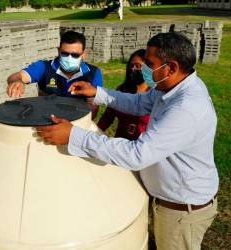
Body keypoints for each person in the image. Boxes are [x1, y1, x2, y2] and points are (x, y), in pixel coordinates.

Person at [36, 32, 219, 250]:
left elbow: (136, 155)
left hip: (180, 209)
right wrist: (99, 93)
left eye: (149, 64)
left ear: (171, 68)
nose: (144, 69)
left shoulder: (186, 109)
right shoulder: (171, 88)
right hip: (168, 200)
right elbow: (138, 103)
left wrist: (73, 135)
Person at [6, 30, 103, 118]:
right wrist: (17, 81)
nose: (69, 58)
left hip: (76, 123)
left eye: (75, 55)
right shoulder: (43, 67)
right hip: (46, 119)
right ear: (58, 51)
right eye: (65, 54)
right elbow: (16, 76)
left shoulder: (93, 74)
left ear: (84, 54)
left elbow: (92, 109)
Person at [97, 49, 150, 140]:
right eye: (131, 66)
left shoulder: (155, 94)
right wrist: (95, 134)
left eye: (138, 66)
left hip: (143, 147)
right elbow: (107, 118)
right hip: (120, 145)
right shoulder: (122, 90)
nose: (133, 69)